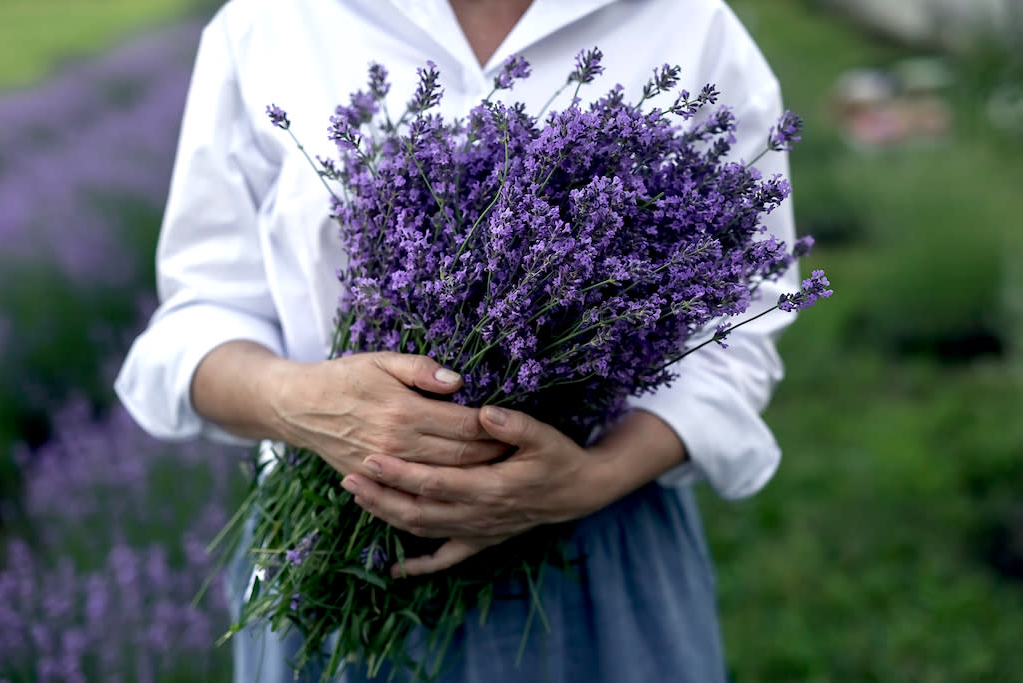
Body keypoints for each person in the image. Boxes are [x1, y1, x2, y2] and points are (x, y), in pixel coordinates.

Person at [116, 0, 800, 681]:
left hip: (595, 551)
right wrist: (305, 402)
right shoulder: (272, 22)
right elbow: (200, 317)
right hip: (336, 553)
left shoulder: (690, 23)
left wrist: (592, 476)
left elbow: (740, 331)